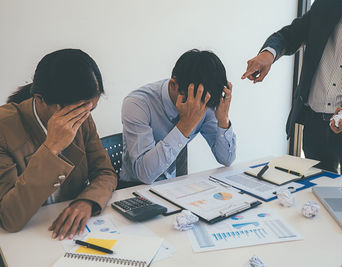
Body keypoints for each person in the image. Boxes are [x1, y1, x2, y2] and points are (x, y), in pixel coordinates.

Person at [242, 0, 342, 183]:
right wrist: (268, 54)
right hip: (315, 126)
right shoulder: (326, 4)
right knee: (314, 198)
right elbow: (291, 34)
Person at [0, 49, 117, 239]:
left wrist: (87, 201)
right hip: (24, 236)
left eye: (91, 109)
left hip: (71, 234)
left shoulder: (83, 118)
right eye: (76, 110)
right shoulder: (4, 128)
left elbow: (105, 172)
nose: (84, 117)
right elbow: (10, 218)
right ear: (40, 100)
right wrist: (51, 148)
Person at [120, 49, 236, 184]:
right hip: (134, 189)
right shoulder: (137, 104)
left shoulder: (206, 101)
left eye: (205, 104)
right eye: (195, 101)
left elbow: (227, 159)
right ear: (173, 85)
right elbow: (145, 175)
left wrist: (223, 120)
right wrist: (185, 125)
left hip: (176, 186)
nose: (199, 108)